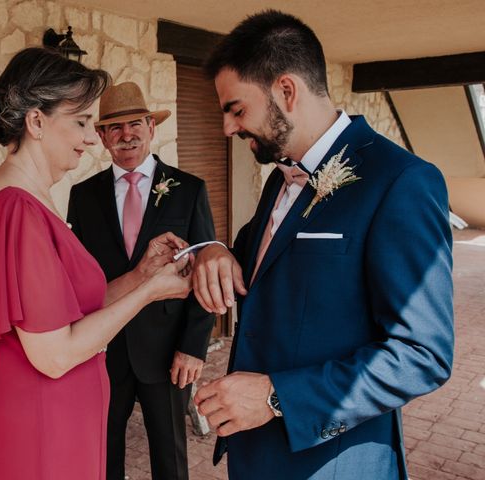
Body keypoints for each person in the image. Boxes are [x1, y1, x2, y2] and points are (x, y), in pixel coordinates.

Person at [192, 10, 454, 480]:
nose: (228, 129)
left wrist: (275, 398)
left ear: (286, 91)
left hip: (334, 461)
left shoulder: (401, 182)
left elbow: (422, 355)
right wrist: (212, 247)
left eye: (236, 109)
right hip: (257, 455)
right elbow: (256, 257)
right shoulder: (279, 179)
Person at [0, 48, 192, 480]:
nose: (89, 138)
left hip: (58, 417)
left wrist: (142, 274)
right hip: (44, 426)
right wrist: (149, 294)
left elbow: (69, 309)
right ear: (37, 122)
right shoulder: (16, 210)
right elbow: (55, 355)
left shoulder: (25, 197)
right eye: (81, 122)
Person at [67, 81, 216, 480]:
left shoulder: (189, 190)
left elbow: (204, 273)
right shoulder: (82, 197)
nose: (126, 135)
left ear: (152, 127)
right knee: (102, 454)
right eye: (115, 127)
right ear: (101, 137)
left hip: (168, 353)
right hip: (104, 350)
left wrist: (193, 347)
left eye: (135, 123)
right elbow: (80, 280)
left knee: (170, 460)